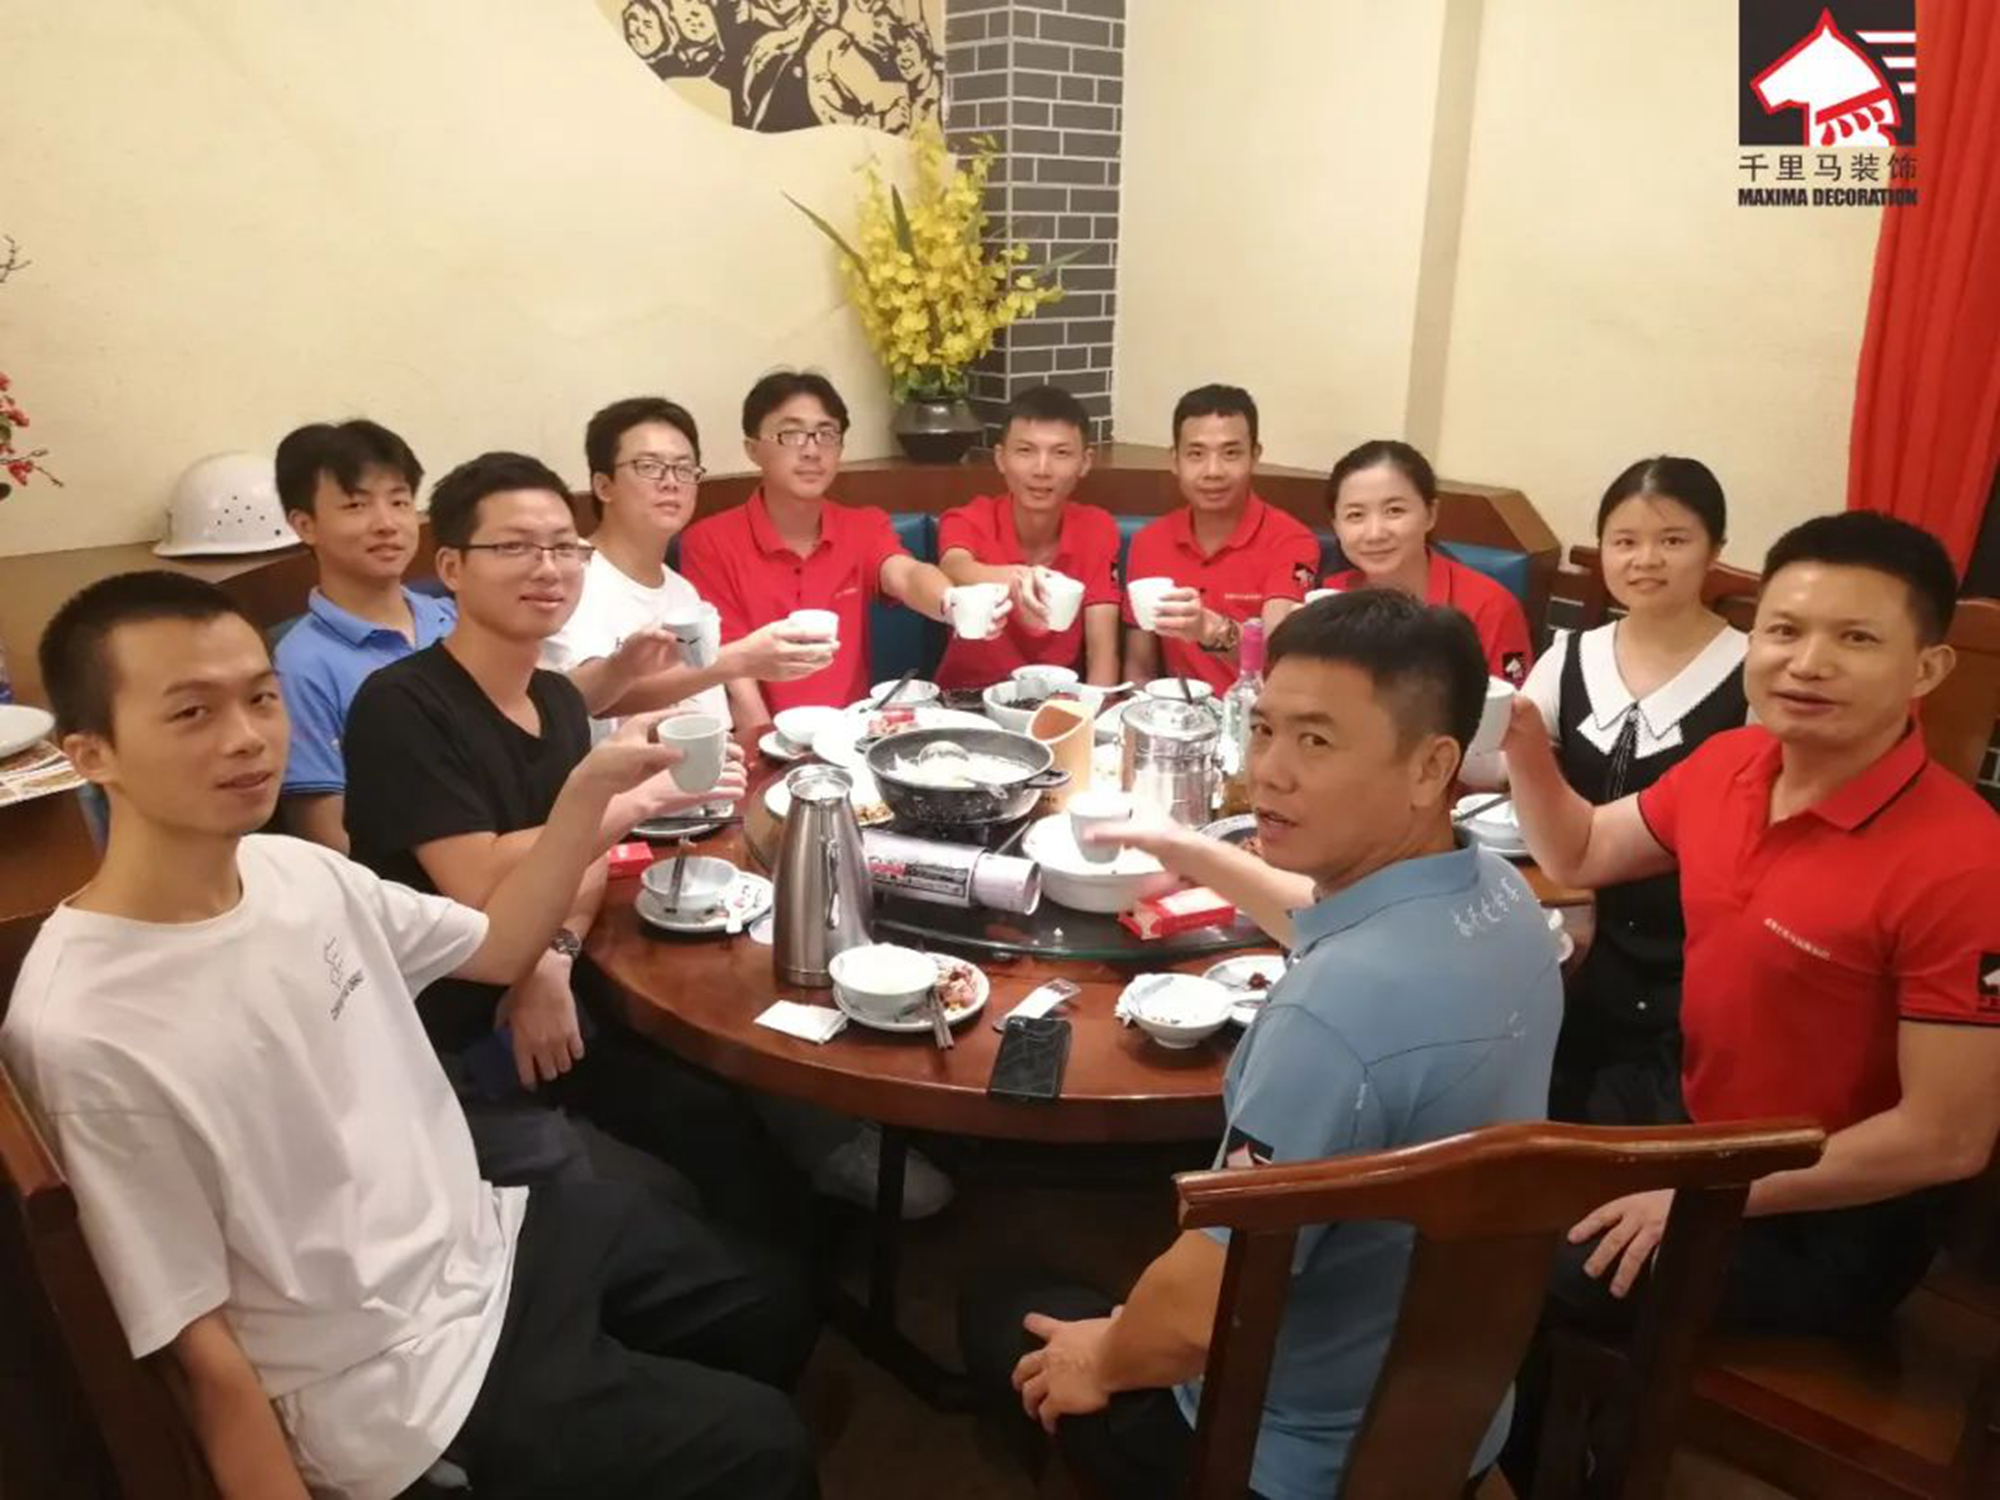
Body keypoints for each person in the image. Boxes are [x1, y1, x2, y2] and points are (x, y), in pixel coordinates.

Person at [3, 571, 817, 1500]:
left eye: (261, 698)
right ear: (90, 754)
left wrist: (593, 791)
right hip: (389, 1378)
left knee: (772, 1302)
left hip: (484, 1237)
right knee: (763, 1447)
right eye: (192, 712)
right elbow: (200, 1348)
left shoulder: (295, 871)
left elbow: (501, 947)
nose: (247, 737)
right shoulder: (86, 1029)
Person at [963, 590, 1565, 1500]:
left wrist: (1104, 1356)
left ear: (1431, 766)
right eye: (1265, 729)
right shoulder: (1503, 898)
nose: (1270, 772)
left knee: (1000, 1305)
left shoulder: (1329, 1020)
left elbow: (1196, 1318)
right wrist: (1183, 847)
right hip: (1456, 1415)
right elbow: (1330, 922)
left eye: (1316, 741)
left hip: (1279, 1460)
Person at [1504, 510, 2000, 1343]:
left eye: (1856, 638)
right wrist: (1523, 743)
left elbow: (1945, 1139)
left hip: (1828, 1207)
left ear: (1927, 667)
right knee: (1484, 1181)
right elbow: (1580, 850)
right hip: (1692, 1111)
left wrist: (1704, 1196)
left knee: (1521, 1266)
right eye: (1784, 630)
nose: (1807, 663)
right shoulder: (1731, 764)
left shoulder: (1968, 865)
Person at [339, 451, 787, 1221]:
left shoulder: (554, 699)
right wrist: (625, 802)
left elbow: (584, 865)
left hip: (553, 998)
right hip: (444, 1053)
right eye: (514, 546)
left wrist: (550, 960)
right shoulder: (402, 707)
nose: (547, 568)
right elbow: (479, 885)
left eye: (563, 547)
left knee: (726, 1129)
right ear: (451, 567)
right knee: (660, 1203)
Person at [1520, 457, 1747, 1126]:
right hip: (1570, 925)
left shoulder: (1752, 669)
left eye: (1673, 540)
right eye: (1625, 541)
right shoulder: (1570, 656)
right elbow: (1503, 766)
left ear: (1715, 550)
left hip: (1687, 953)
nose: (1646, 559)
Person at [678, 369, 1007, 730]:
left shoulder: (863, 526)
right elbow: (735, 677)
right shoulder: (710, 541)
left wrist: (951, 603)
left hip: (850, 735)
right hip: (765, 738)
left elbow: (908, 575)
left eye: (826, 434)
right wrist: (767, 745)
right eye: (791, 434)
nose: (811, 450)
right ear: (753, 449)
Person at [541, 396, 834, 734]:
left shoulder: (683, 593)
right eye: (649, 466)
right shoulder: (573, 575)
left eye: (684, 469)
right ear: (604, 486)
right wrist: (739, 659)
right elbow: (588, 699)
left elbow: (710, 718)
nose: (671, 482)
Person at [272, 419, 455, 853]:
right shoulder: (300, 666)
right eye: (356, 505)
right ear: (305, 525)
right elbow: (327, 839)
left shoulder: (456, 617)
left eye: (400, 501)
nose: (387, 523)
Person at [1122, 384, 1319, 695]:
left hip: (1258, 715)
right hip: (1176, 714)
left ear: (1254, 456)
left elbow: (1276, 655)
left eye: (1230, 453)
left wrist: (1209, 629)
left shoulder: (1291, 541)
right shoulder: (1149, 542)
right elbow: (1139, 667)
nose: (1213, 471)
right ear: (1175, 460)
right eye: (1196, 454)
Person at [933, 383, 1121, 690]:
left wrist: (1098, 712)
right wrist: (1015, 579)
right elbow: (954, 567)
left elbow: (1103, 653)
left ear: (1085, 462)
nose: (1042, 469)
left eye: (1061, 453)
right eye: (1025, 450)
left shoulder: (1097, 528)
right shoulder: (968, 519)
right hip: (967, 700)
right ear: (1000, 458)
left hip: (1058, 702)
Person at [1318, 439, 1534, 685]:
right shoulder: (1328, 597)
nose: (1375, 533)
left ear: (1430, 514)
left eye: (1394, 511)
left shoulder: (1490, 607)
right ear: (1336, 525)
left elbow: (1506, 706)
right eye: (1355, 515)